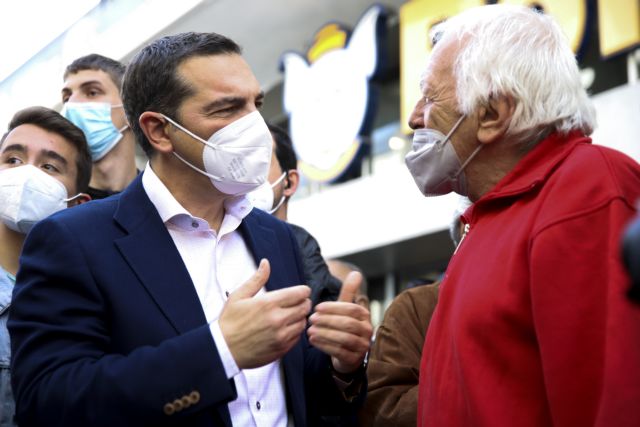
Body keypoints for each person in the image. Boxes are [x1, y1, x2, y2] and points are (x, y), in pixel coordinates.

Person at [9, 32, 372, 427]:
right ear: (159, 131)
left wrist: (341, 365)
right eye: (227, 109)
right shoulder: (73, 240)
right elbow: (49, 402)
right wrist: (220, 351)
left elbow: (295, 390)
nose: (254, 126)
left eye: (256, 104)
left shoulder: (277, 236)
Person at [405, 5, 640, 426]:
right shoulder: (491, 214)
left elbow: (613, 402)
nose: (413, 118)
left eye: (430, 96)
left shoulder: (588, 190)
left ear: (492, 114)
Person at [0, 106, 92, 426]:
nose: (26, 173)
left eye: (49, 166)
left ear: (77, 203)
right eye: (13, 159)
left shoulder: (87, 304)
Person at [248, 123, 342, 306]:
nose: (247, 176)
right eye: (240, 162)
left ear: (290, 182)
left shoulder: (300, 243)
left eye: (260, 162)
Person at [61, 54, 138, 199]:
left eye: (92, 92)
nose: (71, 103)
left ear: (130, 109)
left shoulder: (164, 193)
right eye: (66, 98)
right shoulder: (66, 203)